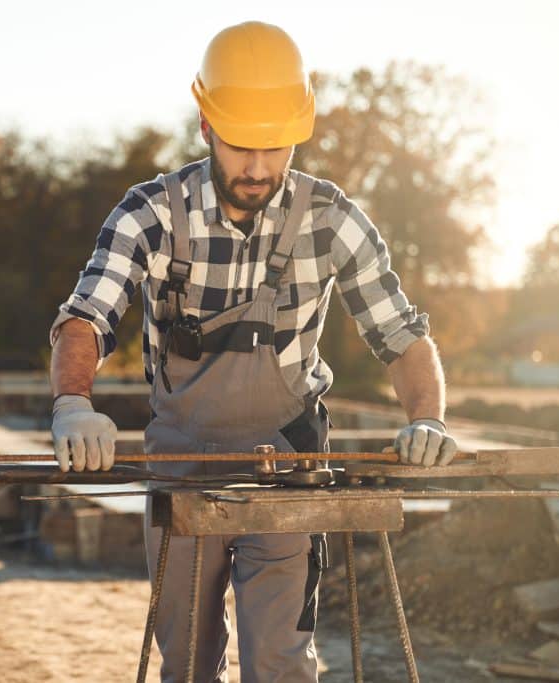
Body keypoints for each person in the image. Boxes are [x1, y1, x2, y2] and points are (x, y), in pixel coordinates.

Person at [48, 20, 457, 683]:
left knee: (280, 662)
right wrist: (73, 404)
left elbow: (402, 335)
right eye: (242, 147)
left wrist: (429, 415)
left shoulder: (332, 220)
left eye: (276, 148)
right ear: (206, 125)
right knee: (185, 665)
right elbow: (86, 317)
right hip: (181, 470)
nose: (259, 168)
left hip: (288, 468)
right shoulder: (149, 215)